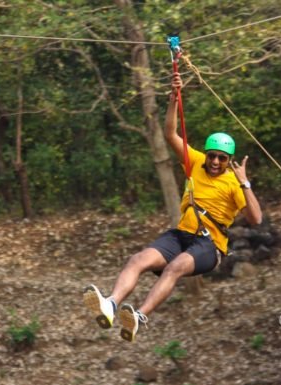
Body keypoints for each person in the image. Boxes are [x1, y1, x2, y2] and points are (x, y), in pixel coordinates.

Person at [83, 72, 263, 342]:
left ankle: (139, 318)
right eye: (212, 156)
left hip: (208, 244)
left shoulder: (233, 183)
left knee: (175, 268)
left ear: (229, 160)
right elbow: (170, 133)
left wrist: (245, 183)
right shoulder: (196, 161)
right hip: (181, 235)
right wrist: (173, 100)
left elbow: (256, 219)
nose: (214, 162)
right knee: (138, 260)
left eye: (221, 159)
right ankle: (110, 305)